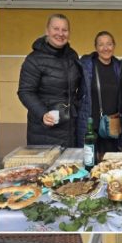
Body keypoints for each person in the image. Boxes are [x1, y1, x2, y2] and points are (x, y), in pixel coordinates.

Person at [18, 14, 83, 147]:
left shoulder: (72, 55)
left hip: (70, 127)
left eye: (64, 30)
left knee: (69, 166)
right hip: (45, 129)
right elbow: (25, 92)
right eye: (56, 29)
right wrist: (42, 113)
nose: (60, 33)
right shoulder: (34, 59)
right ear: (47, 31)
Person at [79, 31, 122, 158]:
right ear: (96, 47)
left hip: (112, 125)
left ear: (114, 46)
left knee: (111, 161)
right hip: (91, 124)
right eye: (101, 44)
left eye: (109, 44)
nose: (105, 48)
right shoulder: (86, 66)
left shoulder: (119, 67)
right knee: (90, 161)